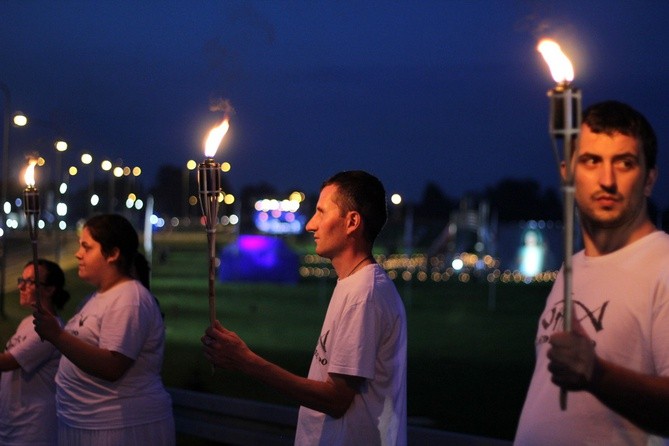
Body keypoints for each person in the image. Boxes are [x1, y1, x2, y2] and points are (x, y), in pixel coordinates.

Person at [202, 170, 408, 445]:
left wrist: (247, 361)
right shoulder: (352, 285)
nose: (311, 225)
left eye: (321, 213)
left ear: (352, 222)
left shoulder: (364, 294)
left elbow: (336, 399)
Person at [514, 100, 669, 445]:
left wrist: (597, 374)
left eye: (625, 163)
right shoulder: (571, 269)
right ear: (568, 174)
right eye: (591, 161)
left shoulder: (664, 265)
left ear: (649, 179)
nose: (607, 180)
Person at [34, 214, 175, 446]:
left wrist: (57, 336)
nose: (78, 254)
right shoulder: (99, 296)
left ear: (112, 254)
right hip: (88, 424)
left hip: (119, 428)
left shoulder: (129, 298)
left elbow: (113, 365)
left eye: (86, 247)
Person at [0, 259, 70, 446]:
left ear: (49, 289)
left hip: (33, 430)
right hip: (11, 425)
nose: (21, 286)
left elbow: (7, 362)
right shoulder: (27, 322)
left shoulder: (49, 330)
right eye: (21, 280)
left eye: (29, 282)